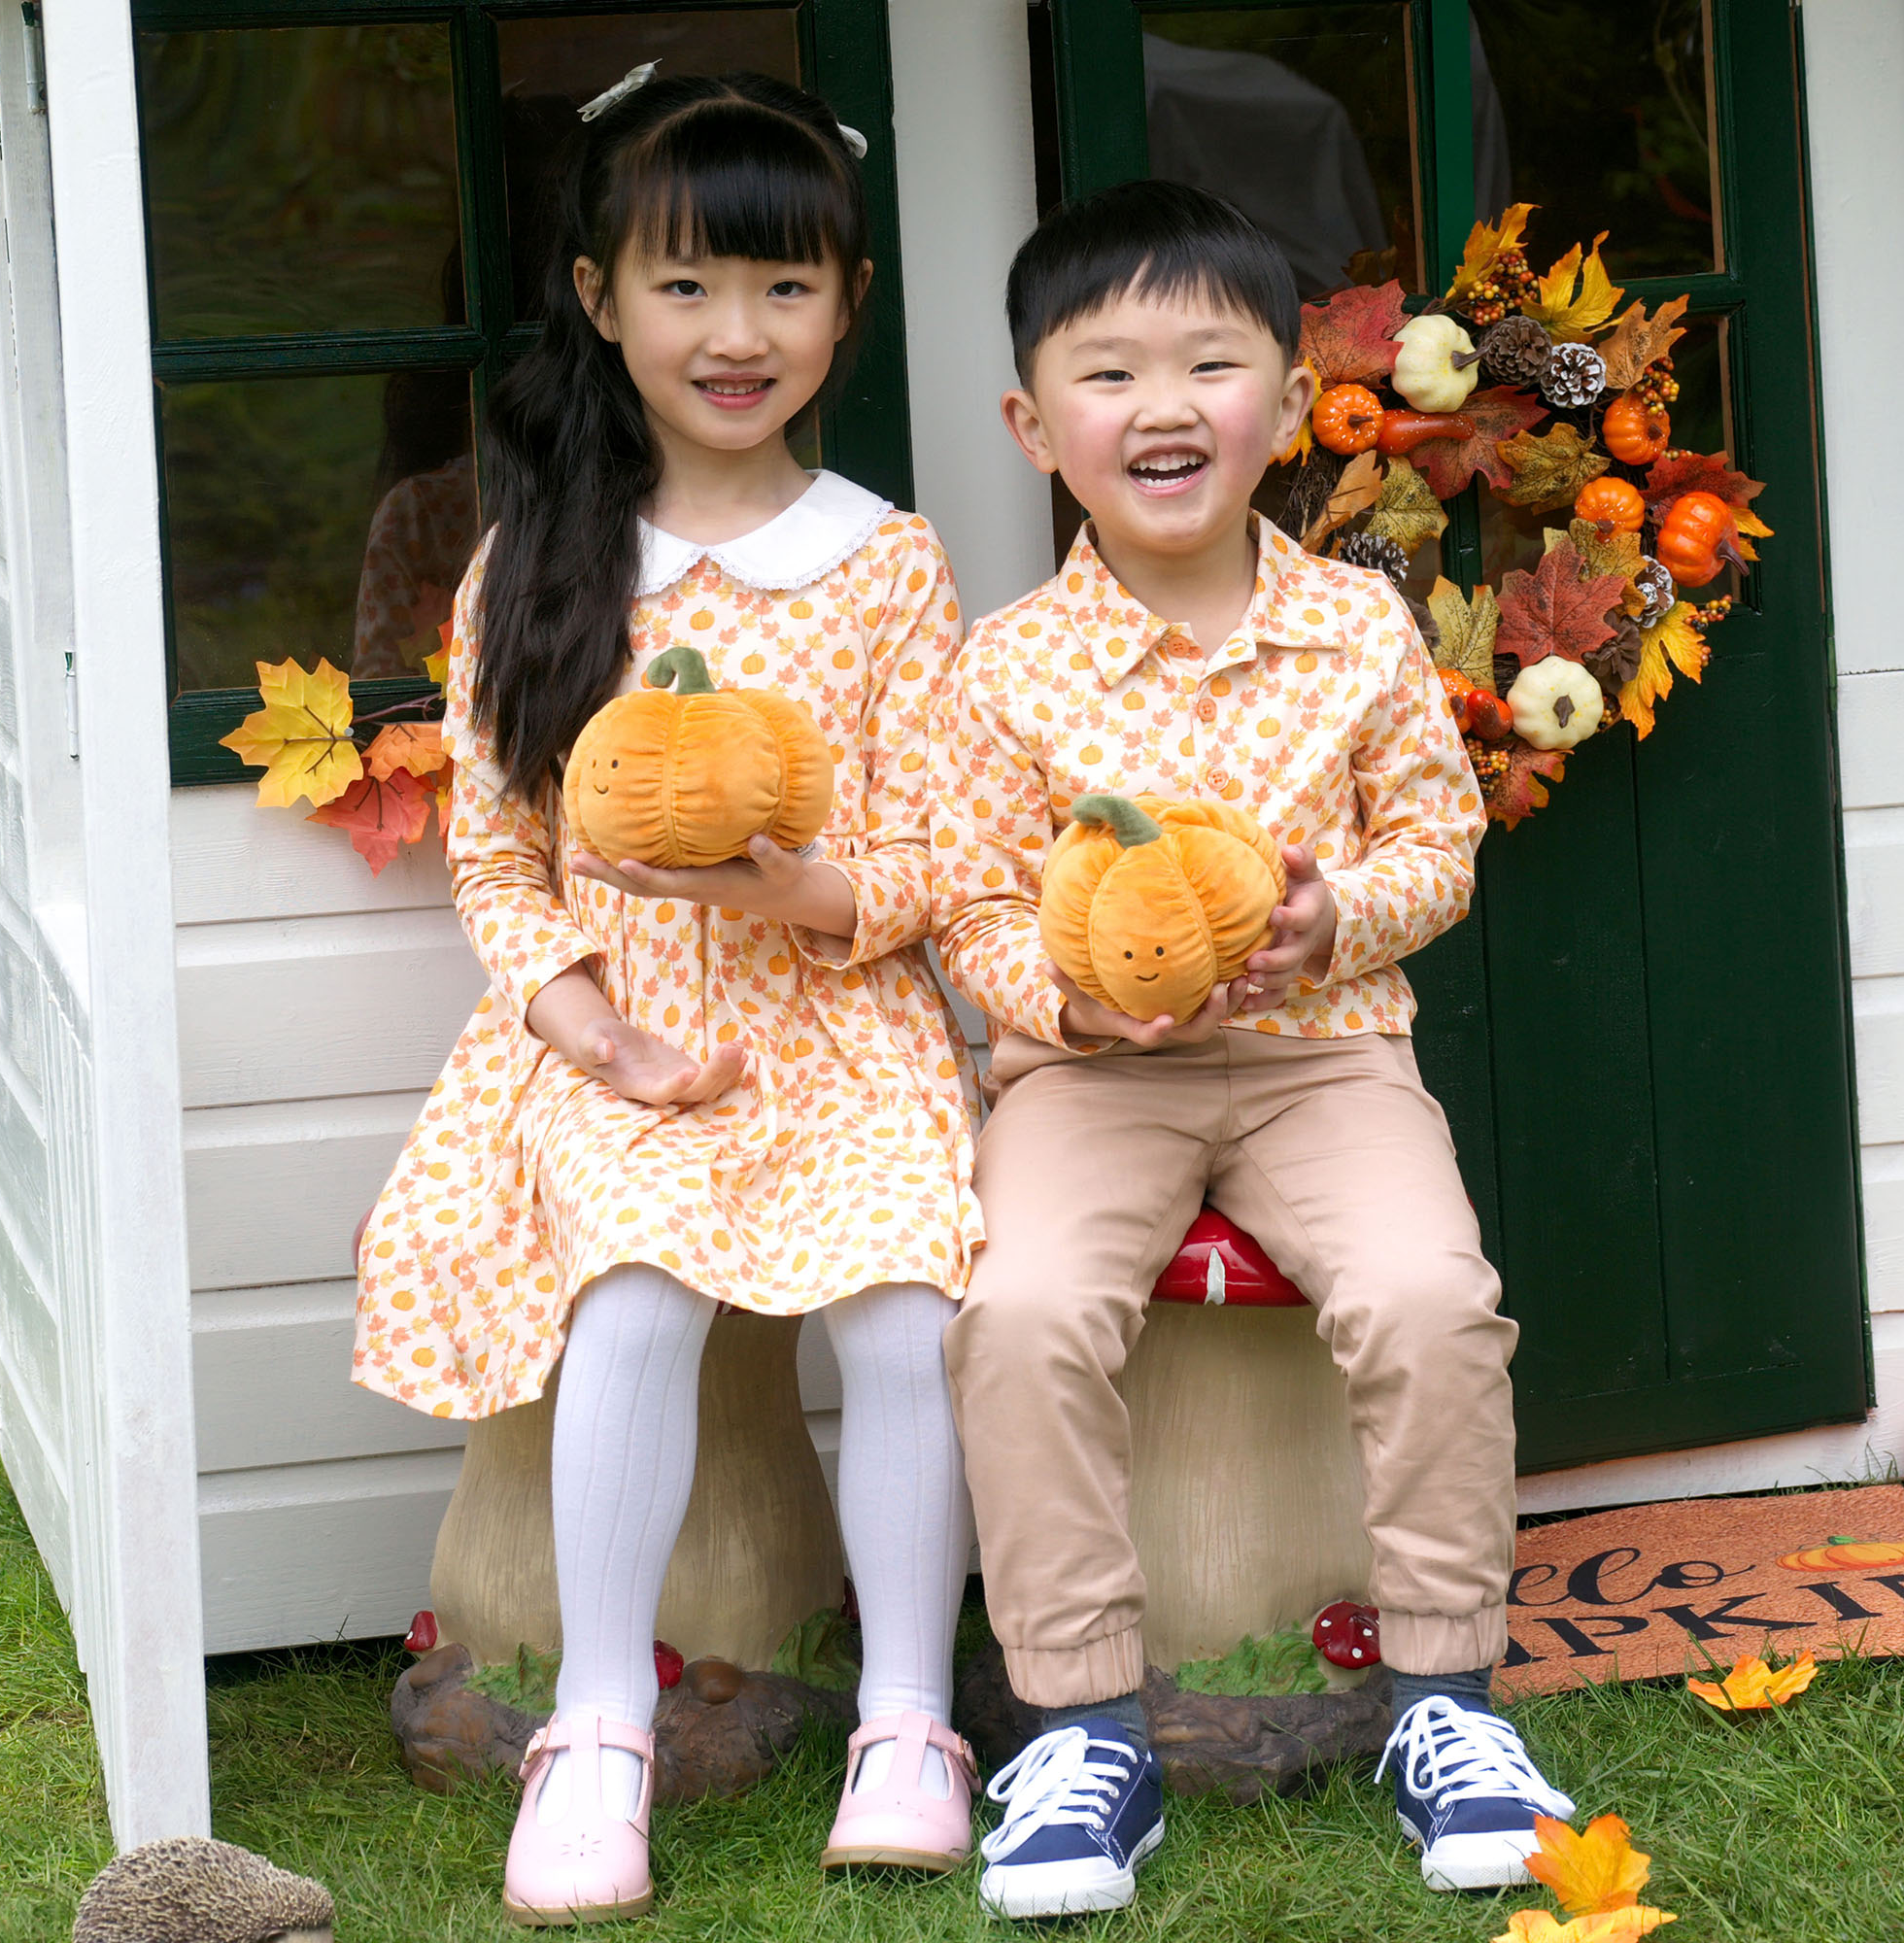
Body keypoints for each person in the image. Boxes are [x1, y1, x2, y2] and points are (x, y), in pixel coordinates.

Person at [354, 69, 982, 1926]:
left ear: (847, 309)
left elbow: (941, 854)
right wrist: (591, 1027)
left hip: (838, 1011)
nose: (736, 334)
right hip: (613, 1018)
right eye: (687, 285)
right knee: (628, 1297)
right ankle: (602, 1729)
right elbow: (496, 856)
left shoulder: (884, 564)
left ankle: (907, 1719)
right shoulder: (531, 558)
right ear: (598, 296)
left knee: (896, 1308)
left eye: (785, 290)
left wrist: (809, 890)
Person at [931, 178, 1573, 1921]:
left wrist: (1330, 919)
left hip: (1327, 1057)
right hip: (1087, 1079)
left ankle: (1446, 1699)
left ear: (1289, 404)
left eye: (1210, 364)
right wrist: (1073, 1003)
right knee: (1021, 1313)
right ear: (1032, 422)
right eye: (1110, 372)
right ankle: (1079, 1727)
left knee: (1433, 1295)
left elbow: (1436, 849)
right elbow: (972, 911)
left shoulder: (1359, 628)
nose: (1162, 408)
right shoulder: (1000, 672)